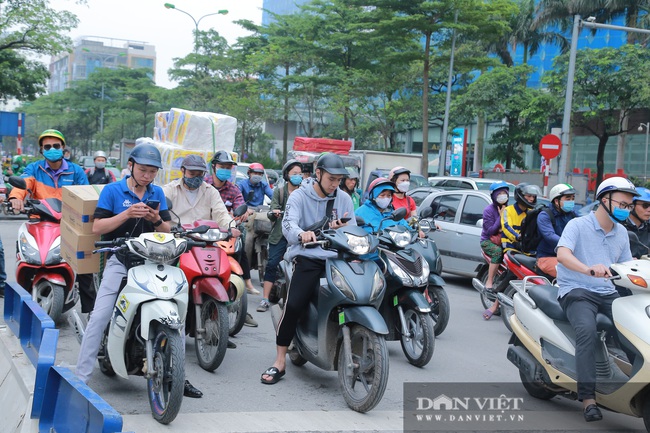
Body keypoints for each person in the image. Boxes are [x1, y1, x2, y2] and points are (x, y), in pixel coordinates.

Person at [75, 143, 204, 397]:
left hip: (153, 262)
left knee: (174, 315)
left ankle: (177, 374)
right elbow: (97, 227)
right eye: (143, 170)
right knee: (100, 316)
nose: (147, 176)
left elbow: (166, 229)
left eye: (152, 172)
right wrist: (127, 214)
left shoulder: (156, 193)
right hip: (120, 260)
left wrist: (155, 219)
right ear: (131, 166)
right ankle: (81, 378)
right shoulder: (112, 191)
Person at [261, 153, 353, 385]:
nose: (335, 184)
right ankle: (280, 360)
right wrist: (301, 234)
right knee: (293, 305)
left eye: (339, 180)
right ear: (318, 173)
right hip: (309, 256)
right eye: (331, 179)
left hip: (338, 257)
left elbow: (352, 227)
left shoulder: (344, 199)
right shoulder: (299, 196)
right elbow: (289, 224)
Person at [556, 176, 638, 423]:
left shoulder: (622, 232)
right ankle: (588, 399)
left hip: (608, 293)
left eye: (629, 206)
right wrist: (587, 269)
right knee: (588, 333)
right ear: (605, 200)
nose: (627, 209)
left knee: (634, 331)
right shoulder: (578, 225)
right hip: (577, 290)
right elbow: (562, 254)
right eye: (622, 204)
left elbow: (626, 266)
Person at [162, 154, 240, 391]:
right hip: (177, 242)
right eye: (192, 173)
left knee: (224, 271)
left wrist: (232, 227)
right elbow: (161, 211)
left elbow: (221, 214)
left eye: (200, 174)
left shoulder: (210, 191)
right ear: (183, 171)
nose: (196, 178)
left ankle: (215, 318)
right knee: (166, 281)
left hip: (206, 241)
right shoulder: (169, 190)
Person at [8, 130, 95, 310]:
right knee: (25, 255)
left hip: (69, 224)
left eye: (56, 146)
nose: (52, 149)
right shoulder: (34, 169)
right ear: (41, 150)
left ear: (63, 148)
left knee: (86, 265)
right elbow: (23, 184)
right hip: (38, 222)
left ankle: (91, 312)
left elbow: (86, 194)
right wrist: (15, 197)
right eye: (47, 147)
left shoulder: (76, 171)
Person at [209, 151, 259, 324]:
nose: (225, 170)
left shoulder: (233, 189)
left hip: (227, 234)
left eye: (228, 168)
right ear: (213, 167)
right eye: (222, 167)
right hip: (204, 235)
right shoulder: (204, 186)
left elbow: (239, 205)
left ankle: (239, 301)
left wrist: (242, 214)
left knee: (241, 244)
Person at [257, 159, 303, 313]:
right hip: (280, 234)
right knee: (272, 265)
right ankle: (264, 299)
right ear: (286, 175)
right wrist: (275, 212)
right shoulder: (280, 191)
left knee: (299, 268)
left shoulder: (304, 192)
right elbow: (272, 210)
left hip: (298, 234)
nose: (298, 176)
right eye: (294, 173)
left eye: (300, 174)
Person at [479, 181, 509, 320]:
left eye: (505, 193)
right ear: (494, 195)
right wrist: (501, 216)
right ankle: (489, 281)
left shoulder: (511, 209)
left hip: (507, 242)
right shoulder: (488, 210)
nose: (503, 196)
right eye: (500, 193)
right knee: (497, 252)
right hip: (488, 242)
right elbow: (490, 230)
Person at [536, 183, 578, 278]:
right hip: (547, 257)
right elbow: (550, 236)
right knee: (571, 274)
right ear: (556, 201)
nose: (571, 201)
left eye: (573, 198)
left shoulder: (571, 215)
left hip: (567, 256)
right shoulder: (545, 215)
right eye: (568, 199)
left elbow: (584, 228)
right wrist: (569, 245)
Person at [501, 182, 541, 253]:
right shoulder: (508, 210)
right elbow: (506, 226)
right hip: (509, 246)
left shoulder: (531, 212)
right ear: (520, 196)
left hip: (524, 247)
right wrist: (518, 236)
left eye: (533, 196)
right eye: (529, 196)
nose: (531, 199)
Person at [622, 186, 650, 258]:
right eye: (645, 205)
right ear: (632, 206)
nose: (649, 210)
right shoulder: (619, 227)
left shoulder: (648, 228)